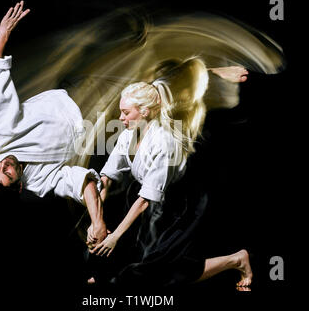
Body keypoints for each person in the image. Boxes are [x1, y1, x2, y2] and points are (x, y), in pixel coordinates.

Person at [89, 57, 252, 287]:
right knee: (129, 247)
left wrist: (214, 73)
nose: (120, 118)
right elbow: (106, 178)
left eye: (125, 113)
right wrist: (96, 220)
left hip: (184, 203)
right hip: (150, 197)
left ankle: (236, 260)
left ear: (144, 112)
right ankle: (103, 275)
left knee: (163, 272)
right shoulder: (128, 131)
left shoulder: (165, 141)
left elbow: (145, 200)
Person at [0, 1, 107, 244]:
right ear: (19, 188)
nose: (4, 165)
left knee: (110, 47)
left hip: (75, 93)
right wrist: (97, 222)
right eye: (8, 173)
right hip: (96, 123)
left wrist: (3, 32)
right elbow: (83, 182)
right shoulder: (38, 182)